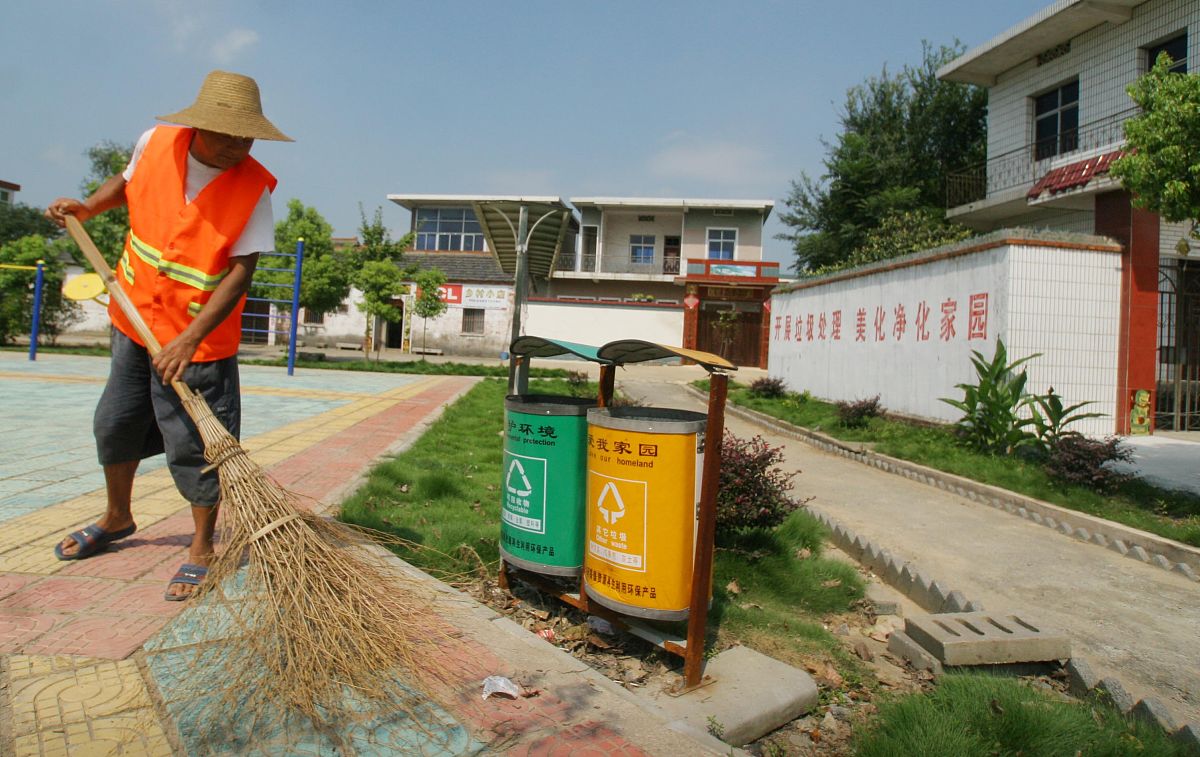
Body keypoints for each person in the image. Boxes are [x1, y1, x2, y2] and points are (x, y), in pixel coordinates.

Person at [45, 70, 292, 600]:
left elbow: (239, 274)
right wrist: (88, 207)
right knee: (114, 423)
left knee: (196, 445)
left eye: (246, 137)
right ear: (199, 124)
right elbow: (128, 182)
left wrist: (186, 340)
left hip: (196, 344)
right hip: (133, 320)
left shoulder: (254, 189)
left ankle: (202, 546)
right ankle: (117, 517)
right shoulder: (156, 142)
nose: (236, 146)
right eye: (226, 134)